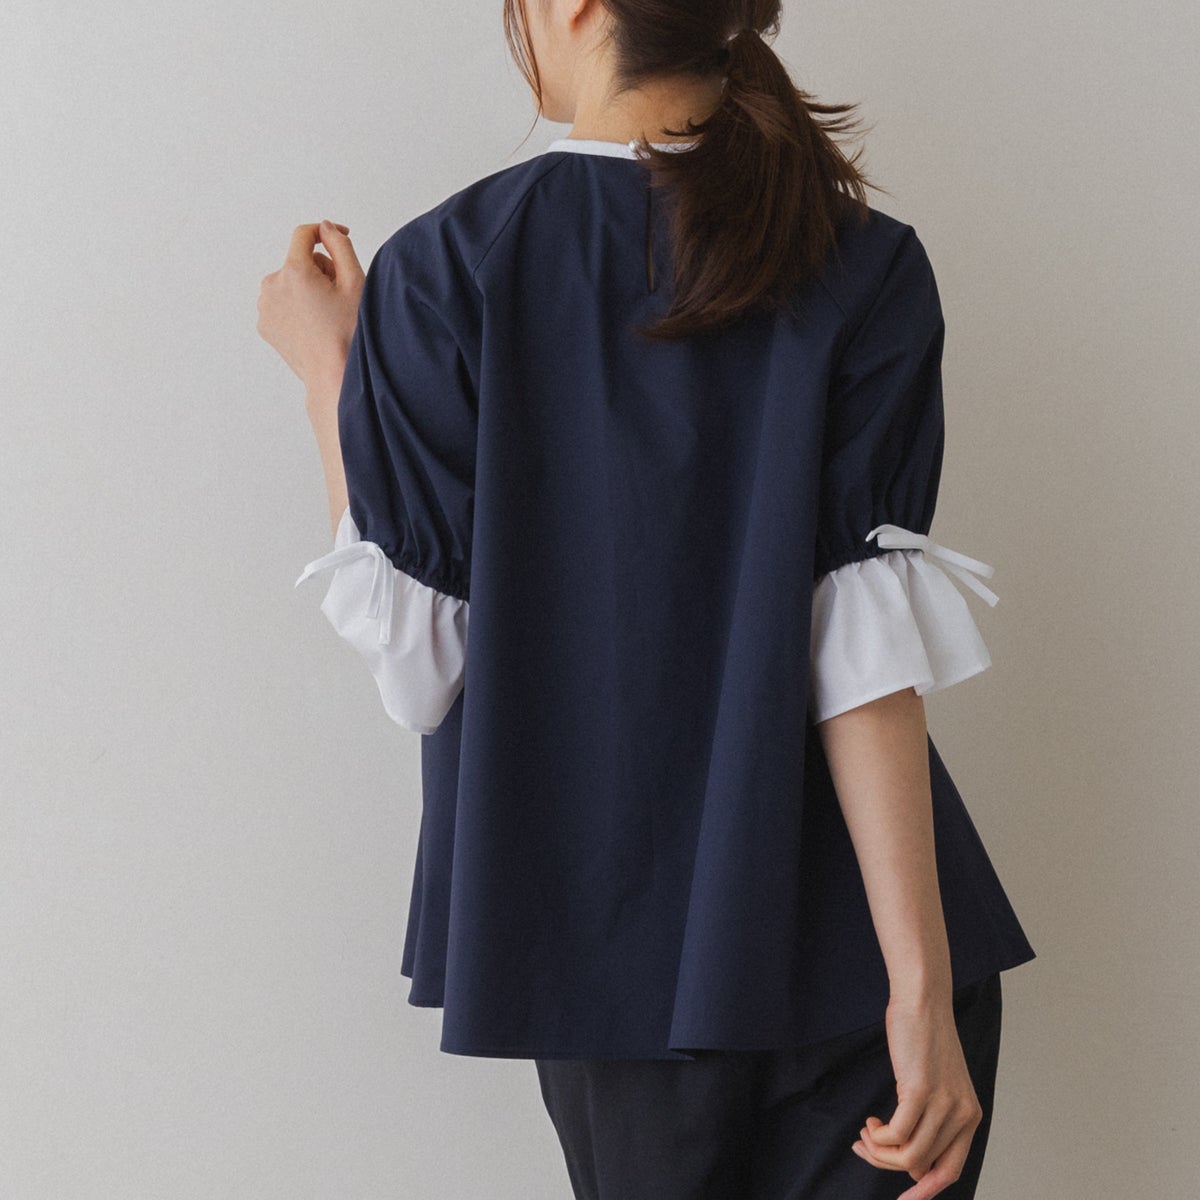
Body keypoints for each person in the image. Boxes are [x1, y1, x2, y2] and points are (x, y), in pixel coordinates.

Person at [258, 1, 1037, 1196]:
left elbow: (422, 674)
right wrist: (920, 992)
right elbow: (861, 658)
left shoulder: (448, 268)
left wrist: (333, 379)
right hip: (863, 962)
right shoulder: (864, 258)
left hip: (610, 969)